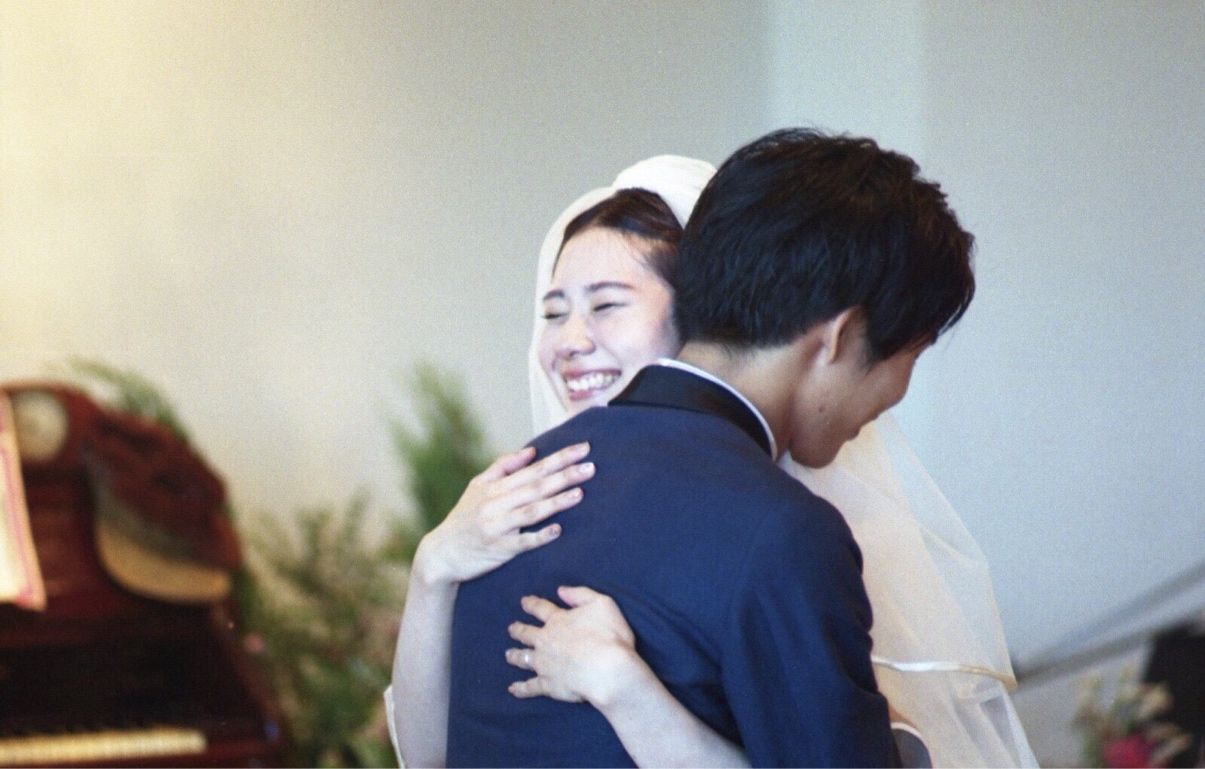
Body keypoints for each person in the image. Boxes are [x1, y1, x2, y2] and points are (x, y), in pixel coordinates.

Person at [390, 141, 1033, 766]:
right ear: (841, 335)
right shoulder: (782, 531)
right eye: (911, 355)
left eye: (608, 304)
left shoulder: (514, 500)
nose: (573, 342)